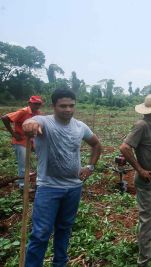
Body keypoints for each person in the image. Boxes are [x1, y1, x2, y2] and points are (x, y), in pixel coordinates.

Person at [22, 88, 102, 267]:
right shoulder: (45, 122)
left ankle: (60, 263)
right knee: (41, 233)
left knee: (64, 229)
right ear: (53, 106)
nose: (68, 109)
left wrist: (90, 166)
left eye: (71, 106)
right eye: (63, 106)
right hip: (48, 187)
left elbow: (96, 145)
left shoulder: (80, 126)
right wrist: (29, 124)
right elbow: (31, 121)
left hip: (74, 187)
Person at [119, 93, 151, 267]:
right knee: (147, 220)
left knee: (148, 218)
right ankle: (143, 260)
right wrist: (140, 169)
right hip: (147, 181)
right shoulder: (142, 125)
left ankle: (145, 249)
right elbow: (124, 147)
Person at [1, 95, 44, 188]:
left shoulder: (38, 113)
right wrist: (14, 134)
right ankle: (22, 185)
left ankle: (35, 178)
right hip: (20, 141)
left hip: (32, 140)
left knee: (41, 157)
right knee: (23, 164)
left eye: (39, 104)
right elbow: (4, 118)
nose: (37, 106)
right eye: (35, 104)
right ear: (29, 103)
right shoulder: (23, 112)